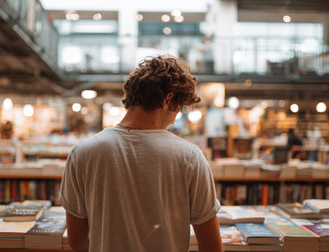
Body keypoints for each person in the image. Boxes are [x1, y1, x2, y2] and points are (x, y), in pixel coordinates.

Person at [59, 55, 223, 252]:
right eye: (177, 110)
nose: (173, 120)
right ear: (168, 99)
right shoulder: (190, 157)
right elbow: (212, 246)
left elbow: (77, 241)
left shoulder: (82, 152)